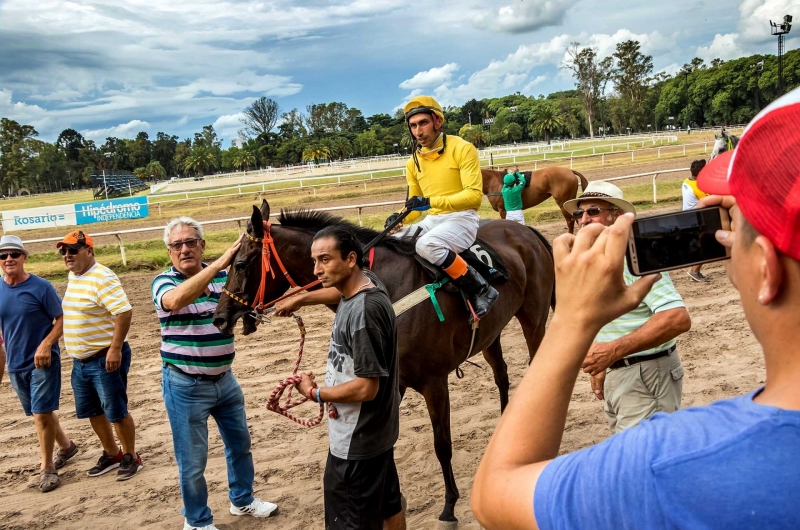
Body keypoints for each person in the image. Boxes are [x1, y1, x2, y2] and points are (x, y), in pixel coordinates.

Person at [470, 87, 800, 530]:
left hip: (646, 379)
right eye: (580, 213)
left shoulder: (664, 463)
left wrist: (574, 324)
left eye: (735, 225)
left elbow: (494, 496)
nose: (584, 219)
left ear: (766, 267)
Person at [152, 217, 277, 530]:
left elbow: (243, 306)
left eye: (190, 242)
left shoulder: (226, 277)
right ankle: (196, 522)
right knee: (192, 461)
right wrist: (222, 261)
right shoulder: (163, 282)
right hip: (184, 384)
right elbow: (177, 300)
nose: (184, 249)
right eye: (177, 245)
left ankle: (242, 500)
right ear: (169, 251)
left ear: (201, 245)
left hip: (225, 379)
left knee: (240, 445)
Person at [291, 225, 405, 530]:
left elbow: (367, 388)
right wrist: (301, 299)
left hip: (357, 442)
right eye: (315, 261)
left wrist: (314, 393)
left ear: (351, 258)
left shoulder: (362, 314)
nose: (316, 270)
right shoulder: (367, 285)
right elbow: (336, 289)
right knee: (389, 506)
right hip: (377, 435)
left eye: (325, 260)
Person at [562, 181, 691, 433]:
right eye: (579, 213)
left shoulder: (636, 257)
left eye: (593, 211)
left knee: (642, 463)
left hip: (645, 373)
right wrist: (604, 365)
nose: (583, 219)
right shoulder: (605, 258)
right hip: (624, 372)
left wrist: (612, 352)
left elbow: (677, 317)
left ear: (616, 217)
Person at [385, 95, 498, 318]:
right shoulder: (412, 162)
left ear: (437, 121)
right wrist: (398, 219)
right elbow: (414, 205)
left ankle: (481, 288)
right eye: (413, 125)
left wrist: (431, 202)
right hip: (432, 220)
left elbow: (473, 197)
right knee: (389, 244)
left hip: (462, 218)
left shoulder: (462, 148)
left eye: (423, 123)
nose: (418, 131)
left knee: (427, 245)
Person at [58, 230, 142, 481]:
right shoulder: (75, 276)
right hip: (80, 361)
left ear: (89, 251)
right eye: (64, 251)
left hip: (105, 357)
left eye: (73, 250)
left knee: (116, 410)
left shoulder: (102, 277)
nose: (67, 255)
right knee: (92, 411)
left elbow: (123, 312)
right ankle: (111, 453)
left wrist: (115, 348)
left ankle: (130, 456)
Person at [0, 235, 78, 492]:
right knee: (39, 411)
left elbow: (61, 320)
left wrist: (46, 345)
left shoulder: (41, 287)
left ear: (24, 256)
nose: (8, 259)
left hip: (43, 362)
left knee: (42, 414)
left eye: (14, 254)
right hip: (16, 364)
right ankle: (67, 447)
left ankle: (47, 469)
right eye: (3, 255)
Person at [683, 159, 710, 281]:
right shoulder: (699, 187)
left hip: (689, 218)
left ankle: (694, 269)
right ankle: (694, 271)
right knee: (708, 245)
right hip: (698, 219)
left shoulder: (687, 181)